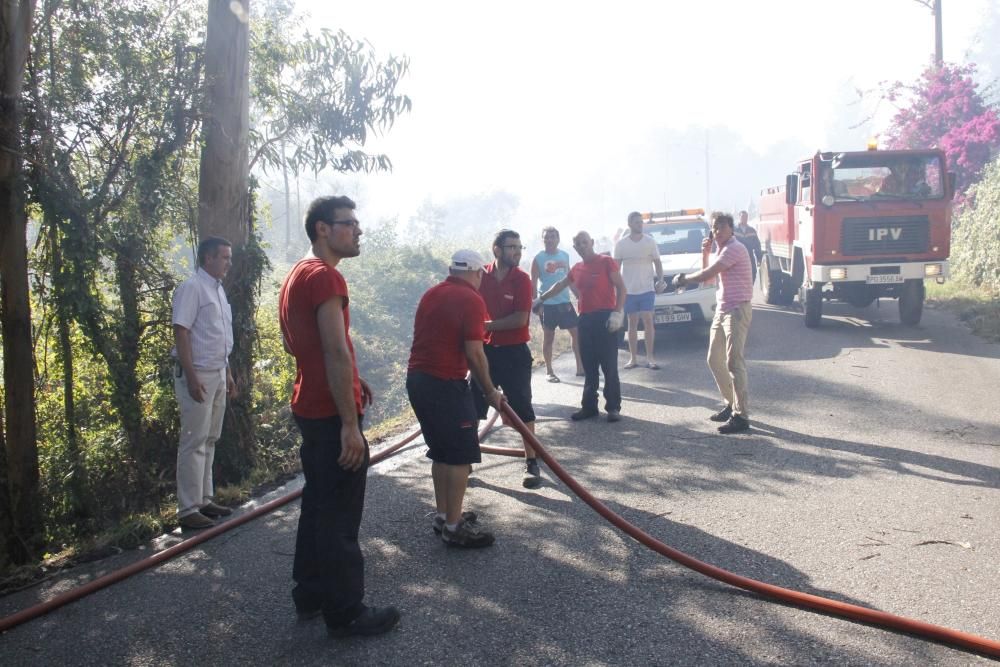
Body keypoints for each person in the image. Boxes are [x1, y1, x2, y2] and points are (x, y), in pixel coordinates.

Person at [278, 195, 400, 638]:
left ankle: (309, 594)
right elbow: (330, 348)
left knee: (317, 505)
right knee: (339, 519)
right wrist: (350, 423)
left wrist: (353, 379)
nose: (357, 230)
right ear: (323, 229)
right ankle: (346, 613)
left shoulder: (298, 274)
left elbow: (304, 345)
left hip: (309, 403)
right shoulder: (326, 279)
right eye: (348, 223)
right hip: (330, 414)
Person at [407, 249, 504, 548]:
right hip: (445, 383)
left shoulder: (432, 293)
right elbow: (475, 352)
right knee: (460, 455)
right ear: (476, 272)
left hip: (419, 381)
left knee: (441, 451)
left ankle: (444, 515)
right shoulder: (471, 299)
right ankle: (453, 526)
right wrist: (490, 391)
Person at [171, 237, 236, 530]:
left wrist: (228, 373)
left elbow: (219, 337)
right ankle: (187, 508)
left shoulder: (219, 291)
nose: (228, 263)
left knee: (210, 437)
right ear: (208, 259)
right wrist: (192, 376)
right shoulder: (192, 288)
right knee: (194, 439)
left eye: (229, 258)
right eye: (224, 257)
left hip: (218, 371)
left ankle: (204, 499)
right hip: (198, 373)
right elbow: (181, 332)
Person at [672, 212, 753, 434]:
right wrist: (705, 252)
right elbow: (710, 279)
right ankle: (731, 404)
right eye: (713, 228)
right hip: (723, 309)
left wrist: (684, 279)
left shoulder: (734, 248)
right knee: (713, 359)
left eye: (720, 227)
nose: (716, 231)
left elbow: (707, 273)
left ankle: (741, 416)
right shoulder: (720, 250)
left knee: (734, 363)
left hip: (737, 310)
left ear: (731, 229)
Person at [533, 231, 626, 422]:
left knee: (609, 365)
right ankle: (589, 407)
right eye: (578, 244)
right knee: (589, 366)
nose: (582, 246)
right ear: (575, 248)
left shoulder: (606, 261)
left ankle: (613, 408)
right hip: (585, 319)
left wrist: (617, 313)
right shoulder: (577, 268)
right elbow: (560, 285)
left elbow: (622, 288)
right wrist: (540, 298)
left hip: (606, 318)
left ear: (591, 242)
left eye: (585, 242)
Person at [475, 230, 542, 489]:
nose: (517, 251)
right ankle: (465, 461)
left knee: (522, 406)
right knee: (473, 405)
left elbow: (520, 319)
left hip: (515, 352)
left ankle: (532, 461)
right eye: (512, 247)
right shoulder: (481, 275)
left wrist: (483, 326)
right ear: (497, 250)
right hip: (486, 352)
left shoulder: (522, 279)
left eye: (519, 247)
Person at [531, 226, 584, 382]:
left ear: (558, 239)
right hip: (546, 304)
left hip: (564, 302)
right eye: (546, 237)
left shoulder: (565, 256)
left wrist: (579, 297)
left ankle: (580, 367)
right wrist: (536, 304)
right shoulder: (538, 258)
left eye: (553, 237)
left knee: (576, 333)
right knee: (548, 337)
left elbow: (570, 279)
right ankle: (549, 371)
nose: (549, 239)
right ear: (543, 240)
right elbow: (533, 283)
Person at [613, 212, 663, 370]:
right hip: (629, 290)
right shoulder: (621, 245)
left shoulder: (650, 242)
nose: (640, 225)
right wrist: (616, 288)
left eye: (641, 222)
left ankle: (650, 358)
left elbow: (658, 263)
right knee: (632, 321)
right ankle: (633, 358)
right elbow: (615, 267)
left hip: (647, 288)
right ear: (630, 224)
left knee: (648, 319)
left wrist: (660, 279)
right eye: (636, 222)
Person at [733, 210, 762, 286]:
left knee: (753, 272)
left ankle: (749, 288)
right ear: (739, 217)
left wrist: (759, 258)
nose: (744, 218)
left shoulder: (752, 230)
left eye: (746, 217)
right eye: (742, 217)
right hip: (737, 257)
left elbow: (757, 245)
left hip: (749, 256)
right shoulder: (734, 230)